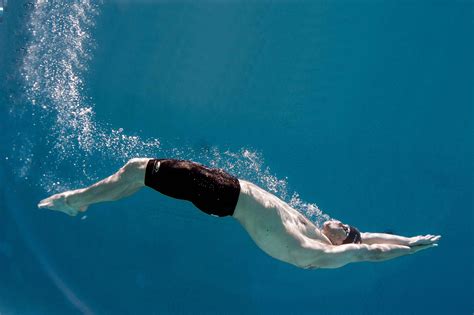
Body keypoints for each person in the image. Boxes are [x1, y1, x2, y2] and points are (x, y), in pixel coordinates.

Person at [38, 158, 441, 269]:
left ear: (340, 241)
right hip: (227, 190)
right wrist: (404, 237)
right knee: (135, 173)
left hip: (225, 195)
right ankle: (81, 201)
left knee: (136, 170)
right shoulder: (314, 232)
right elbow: (368, 238)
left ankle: (77, 201)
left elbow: (367, 250)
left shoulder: (318, 251)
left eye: (344, 228)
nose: (337, 221)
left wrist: (410, 250)